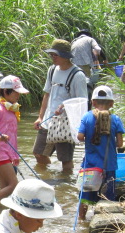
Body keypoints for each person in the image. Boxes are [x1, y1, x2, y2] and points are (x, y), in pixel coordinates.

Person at [32, 39, 88, 171]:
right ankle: (46, 177)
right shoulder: (52, 70)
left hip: (65, 123)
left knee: (65, 159)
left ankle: (65, 182)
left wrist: (64, 106)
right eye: (51, 54)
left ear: (66, 56)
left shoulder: (77, 75)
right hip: (47, 120)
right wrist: (40, 117)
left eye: (55, 55)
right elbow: (46, 94)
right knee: (39, 153)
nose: (52, 57)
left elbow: (81, 102)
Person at [77, 85, 125, 220]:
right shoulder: (115, 119)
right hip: (108, 167)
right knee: (108, 198)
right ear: (111, 104)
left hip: (90, 166)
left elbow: (80, 137)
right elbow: (120, 144)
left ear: (93, 102)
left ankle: (82, 220)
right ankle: (105, 220)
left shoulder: (87, 117)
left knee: (85, 197)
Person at [0, 75, 29, 205]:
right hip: (0, 152)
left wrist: (15, 154)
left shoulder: (12, 110)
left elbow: (13, 135)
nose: (18, 96)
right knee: (14, 185)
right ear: (5, 91)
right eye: (15, 92)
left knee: (4, 186)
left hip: (8, 152)